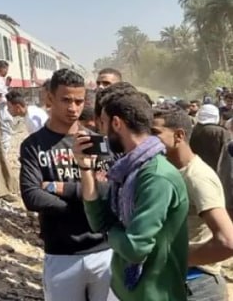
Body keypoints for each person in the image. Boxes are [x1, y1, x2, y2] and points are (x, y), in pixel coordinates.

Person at [76, 90, 189, 301]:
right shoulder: (126, 170)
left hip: (152, 294)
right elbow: (97, 221)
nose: (100, 131)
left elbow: (135, 248)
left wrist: (109, 232)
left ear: (116, 123)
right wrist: (84, 168)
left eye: (102, 123)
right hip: (122, 289)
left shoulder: (156, 177)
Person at [19, 69, 113, 301]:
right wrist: (87, 205)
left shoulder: (96, 142)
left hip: (104, 252)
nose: (73, 108)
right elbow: (32, 197)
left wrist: (55, 187)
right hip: (61, 253)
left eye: (79, 101)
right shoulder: (34, 145)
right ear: (50, 99)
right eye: (66, 100)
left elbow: (107, 191)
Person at [151, 106, 233, 301]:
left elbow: (227, 241)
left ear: (179, 135)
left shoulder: (197, 177)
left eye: (155, 133)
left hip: (197, 285)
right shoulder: (168, 171)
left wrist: (176, 257)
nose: (148, 140)